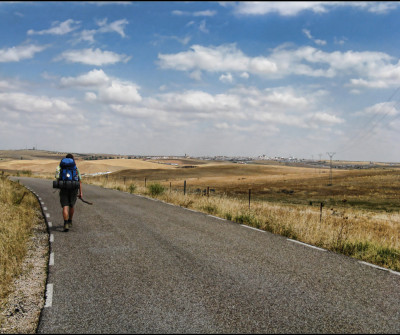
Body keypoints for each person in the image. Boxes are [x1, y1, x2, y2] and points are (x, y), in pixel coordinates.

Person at [55, 154, 82, 232]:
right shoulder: (75, 168)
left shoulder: (60, 167)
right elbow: (79, 181)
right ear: (72, 160)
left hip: (64, 188)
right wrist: (81, 192)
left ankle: (65, 223)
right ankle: (70, 221)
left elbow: (57, 177)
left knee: (65, 206)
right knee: (71, 205)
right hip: (74, 188)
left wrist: (60, 184)